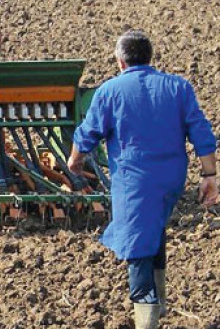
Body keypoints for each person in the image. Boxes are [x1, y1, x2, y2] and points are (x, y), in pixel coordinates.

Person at [67, 30, 218, 329]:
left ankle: (146, 321)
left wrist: (75, 161)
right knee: (155, 228)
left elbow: (87, 134)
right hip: (172, 180)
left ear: (120, 61)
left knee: (137, 246)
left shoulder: (110, 91)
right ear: (149, 58)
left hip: (135, 182)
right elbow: (201, 132)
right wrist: (210, 175)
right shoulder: (178, 87)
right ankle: (160, 304)